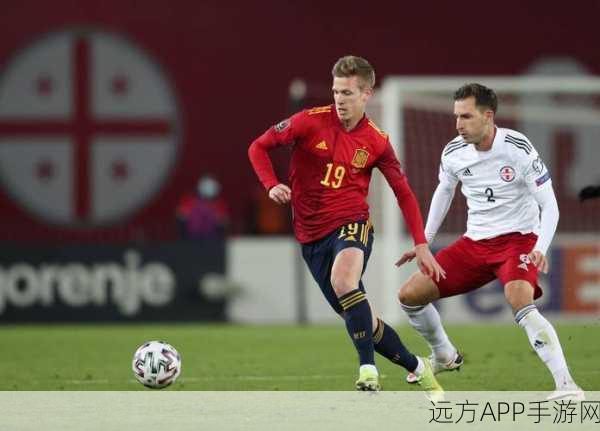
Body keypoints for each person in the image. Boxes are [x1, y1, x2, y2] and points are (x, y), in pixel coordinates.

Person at [248, 55, 445, 398]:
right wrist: (270, 184)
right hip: (310, 235)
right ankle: (417, 367)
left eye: (348, 93)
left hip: (352, 223)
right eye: (337, 91)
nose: (339, 99)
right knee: (361, 320)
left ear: (367, 94)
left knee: (344, 280)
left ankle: (367, 369)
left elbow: (404, 193)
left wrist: (421, 242)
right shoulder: (308, 122)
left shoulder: (377, 141)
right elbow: (258, 147)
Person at [397, 83, 584, 401]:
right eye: (456, 116)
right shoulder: (454, 152)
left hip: (519, 240)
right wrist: (424, 242)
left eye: (466, 116)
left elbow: (550, 205)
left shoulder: (517, 147)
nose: (458, 124)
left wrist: (540, 247)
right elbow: (444, 192)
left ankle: (567, 385)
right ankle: (443, 354)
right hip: (475, 244)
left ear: (488, 116)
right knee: (409, 295)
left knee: (519, 299)